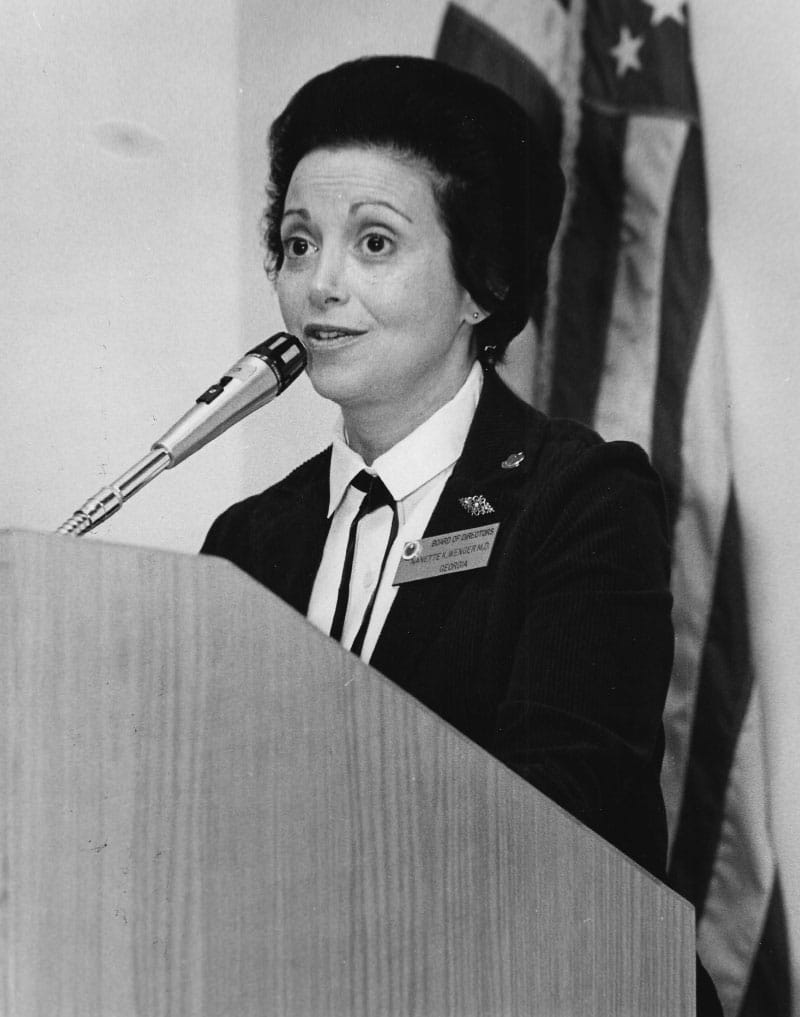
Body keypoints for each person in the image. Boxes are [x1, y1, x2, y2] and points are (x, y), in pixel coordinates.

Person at [202, 55, 672, 879]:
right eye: (299, 242)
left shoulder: (581, 501)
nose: (321, 283)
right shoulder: (246, 542)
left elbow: (563, 815)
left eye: (374, 242)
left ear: (481, 286)